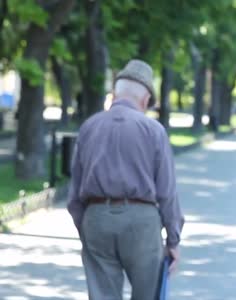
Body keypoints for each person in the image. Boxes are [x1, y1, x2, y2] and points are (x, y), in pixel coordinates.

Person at [67, 59, 184, 300]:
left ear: (114, 95)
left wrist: (87, 229)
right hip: (141, 222)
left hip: (96, 217)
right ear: (146, 100)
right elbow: (167, 192)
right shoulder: (154, 131)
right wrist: (173, 239)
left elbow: (74, 195)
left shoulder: (89, 127)